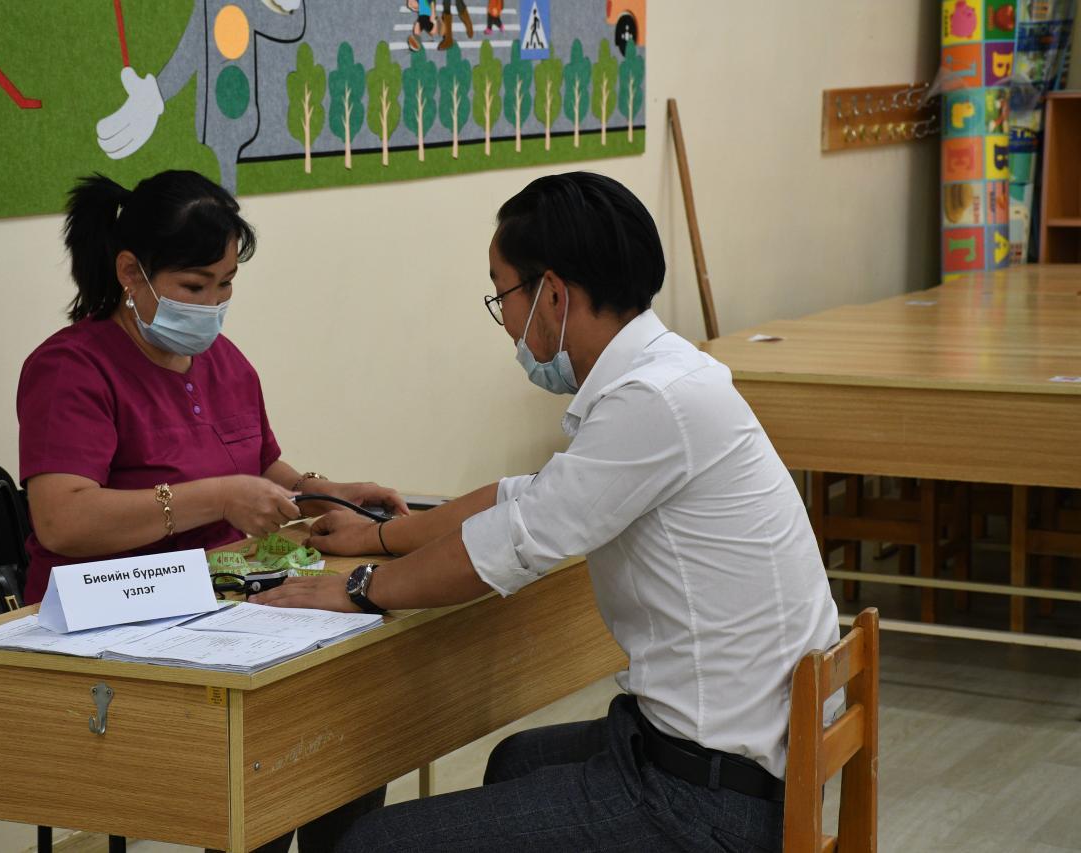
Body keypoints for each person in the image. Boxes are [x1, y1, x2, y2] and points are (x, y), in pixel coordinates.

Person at [254, 172, 841, 852]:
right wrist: (379, 536)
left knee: (372, 844)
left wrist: (359, 588)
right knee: (518, 762)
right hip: (741, 758)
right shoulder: (671, 372)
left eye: (503, 293)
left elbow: (510, 542)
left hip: (707, 802)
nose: (505, 320)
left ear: (554, 294)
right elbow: (526, 496)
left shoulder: (651, 401)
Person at [17, 169, 403, 852]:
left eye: (226, 285)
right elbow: (62, 520)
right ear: (131, 273)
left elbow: (260, 462)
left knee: (350, 714)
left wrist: (323, 491)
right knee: (276, 750)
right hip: (115, 625)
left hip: (222, 606)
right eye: (195, 287)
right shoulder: (71, 369)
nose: (214, 305)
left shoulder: (224, 362)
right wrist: (217, 498)